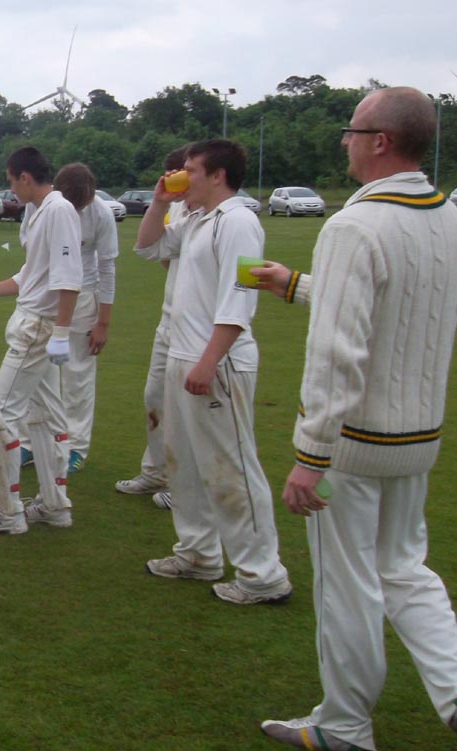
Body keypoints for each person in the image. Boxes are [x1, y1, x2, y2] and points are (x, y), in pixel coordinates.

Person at [256, 87, 457, 751]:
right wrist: (294, 285)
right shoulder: (449, 216)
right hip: (418, 436)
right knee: (405, 568)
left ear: (378, 141)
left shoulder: (351, 226)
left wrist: (311, 452)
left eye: (351, 130)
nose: (342, 140)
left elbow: (339, 351)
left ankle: (343, 720)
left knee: (347, 582)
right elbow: (384, 303)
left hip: (356, 444)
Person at [133, 139, 291, 605]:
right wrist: (161, 201)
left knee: (231, 468)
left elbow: (240, 298)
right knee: (183, 465)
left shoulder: (239, 221)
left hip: (217, 362)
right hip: (184, 356)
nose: (183, 176)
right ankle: (198, 553)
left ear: (218, 175)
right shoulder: (195, 218)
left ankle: (263, 575)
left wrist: (208, 361)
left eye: (191, 170)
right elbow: (146, 247)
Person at [0, 146, 81, 536]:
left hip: (39, 330)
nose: (11, 191)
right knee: (43, 417)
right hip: (34, 323)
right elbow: (33, 272)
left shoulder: (58, 211)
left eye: (12, 182)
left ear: (25, 177)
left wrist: (60, 333)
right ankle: (54, 505)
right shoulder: (37, 211)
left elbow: (68, 276)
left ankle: (7, 512)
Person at [19, 162, 117, 474]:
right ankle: (30, 443)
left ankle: (75, 446)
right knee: (34, 370)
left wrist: (103, 322)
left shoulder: (101, 212)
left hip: (84, 297)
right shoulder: (39, 207)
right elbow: (28, 249)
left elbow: (107, 267)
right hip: (44, 295)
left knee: (78, 377)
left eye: (81, 207)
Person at [115, 145, 189, 505]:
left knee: (189, 411)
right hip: (169, 318)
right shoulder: (177, 208)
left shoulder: (228, 219)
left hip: (198, 330)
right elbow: (150, 250)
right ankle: (156, 473)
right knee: (154, 397)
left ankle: (184, 485)